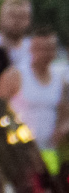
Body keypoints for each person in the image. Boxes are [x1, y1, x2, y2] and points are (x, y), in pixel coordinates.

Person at [12, 28, 67, 161]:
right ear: (31, 49)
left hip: (49, 151)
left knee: (51, 181)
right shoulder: (15, 75)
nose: (45, 54)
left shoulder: (60, 79)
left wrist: (61, 130)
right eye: (40, 49)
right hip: (20, 151)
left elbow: (64, 111)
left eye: (50, 49)